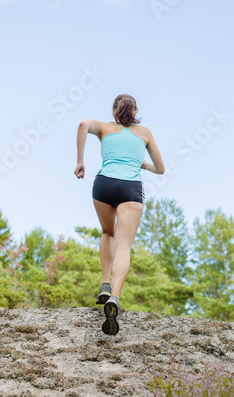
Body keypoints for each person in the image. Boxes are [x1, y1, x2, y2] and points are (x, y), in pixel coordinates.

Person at [74, 94, 165, 335]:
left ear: (114, 111)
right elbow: (161, 169)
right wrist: (142, 164)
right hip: (130, 188)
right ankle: (114, 297)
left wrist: (80, 161)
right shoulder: (144, 133)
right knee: (124, 246)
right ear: (135, 112)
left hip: (103, 184)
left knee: (107, 232)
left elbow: (83, 125)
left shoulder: (104, 127)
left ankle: (105, 282)